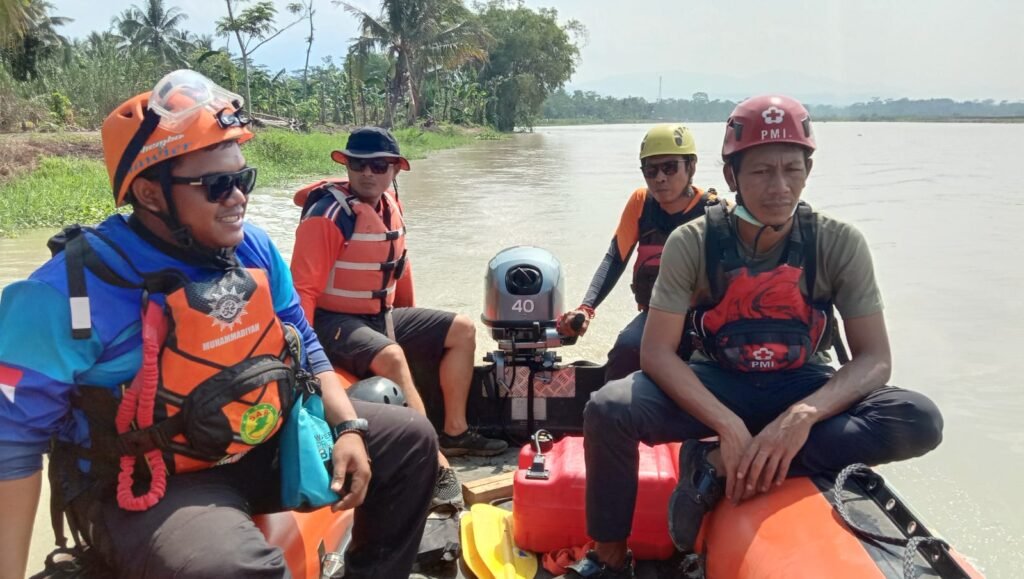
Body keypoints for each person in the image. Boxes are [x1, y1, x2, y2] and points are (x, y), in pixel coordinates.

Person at [0, 70, 437, 579]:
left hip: (261, 440)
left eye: (242, 179)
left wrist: (347, 426)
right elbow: (14, 445)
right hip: (153, 480)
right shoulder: (65, 293)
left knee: (410, 440)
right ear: (150, 193)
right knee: (230, 568)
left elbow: (305, 340)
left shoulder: (250, 247)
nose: (238, 198)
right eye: (216, 185)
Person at [558, 95, 944, 578]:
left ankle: (715, 467)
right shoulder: (693, 241)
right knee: (609, 409)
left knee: (918, 418)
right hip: (719, 380)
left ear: (808, 170)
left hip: (799, 383)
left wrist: (802, 416)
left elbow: (874, 361)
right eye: (761, 172)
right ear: (732, 176)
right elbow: (656, 352)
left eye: (792, 169)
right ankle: (609, 554)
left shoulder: (838, 242)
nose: (779, 187)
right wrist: (726, 423)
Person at [289, 127, 508, 506]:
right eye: (359, 164)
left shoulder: (390, 203)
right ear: (347, 165)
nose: (368, 173)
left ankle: (455, 432)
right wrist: (303, 362)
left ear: (395, 169)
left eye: (379, 165)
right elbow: (302, 292)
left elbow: (398, 265)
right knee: (392, 356)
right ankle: (435, 465)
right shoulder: (328, 214)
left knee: (461, 329)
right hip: (332, 322)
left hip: (378, 315)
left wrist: (407, 319)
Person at [556, 124, 719, 382]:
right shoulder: (641, 203)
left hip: (704, 319)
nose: (660, 178)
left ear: (691, 166)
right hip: (656, 315)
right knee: (625, 350)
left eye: (669, 167)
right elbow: (615, 258)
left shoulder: (716, 212)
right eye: (650, 170)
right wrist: (586, 308)